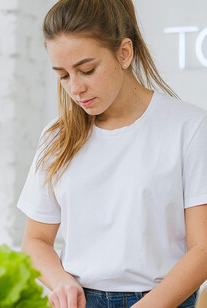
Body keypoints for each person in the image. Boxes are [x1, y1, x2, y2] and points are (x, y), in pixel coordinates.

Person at [17, 0, 207, 307]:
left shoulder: (189, 127)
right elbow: (35, 240)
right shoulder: (57, 137)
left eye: (87, 70)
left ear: (124, 53)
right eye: (63, 75)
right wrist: (61, 282)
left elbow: (203, 249)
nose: (75, 88)